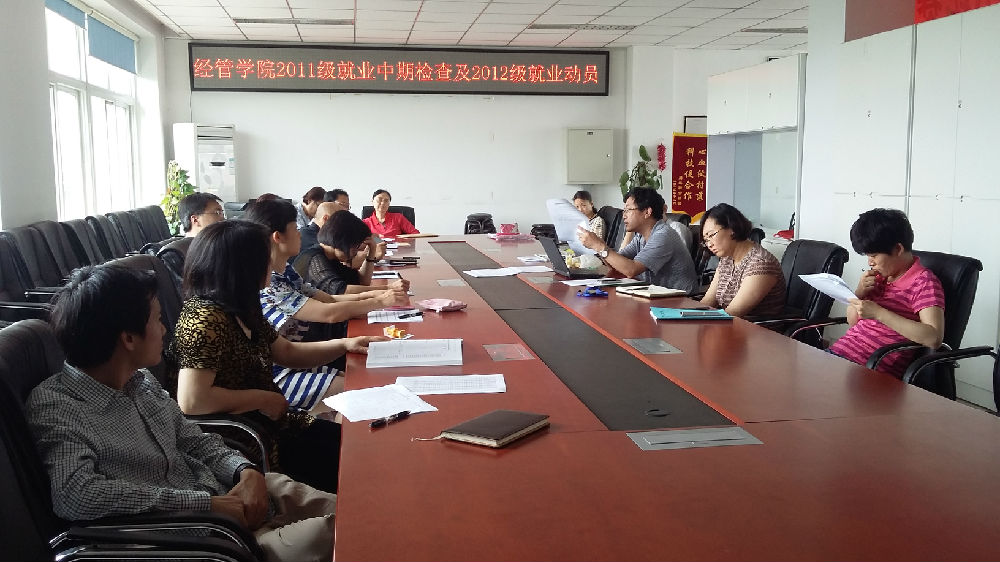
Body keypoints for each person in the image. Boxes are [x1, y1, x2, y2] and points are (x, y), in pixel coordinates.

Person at [27, 264, 337, 562]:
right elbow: (76, 495)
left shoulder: (141, 382)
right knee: (337, 533)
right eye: (158, 319)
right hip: (201, 542)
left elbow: (194, 440)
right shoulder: (58, 406)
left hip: (227, 498)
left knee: (349, 510)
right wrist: (206, 505)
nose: (165, 329)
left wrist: (244, 471)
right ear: (129, 338)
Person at [170, 220, 386, 493]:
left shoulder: (242, 305)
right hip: (244, 440)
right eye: (265, 257)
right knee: (357, 468)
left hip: (274, 423)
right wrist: (264, 398)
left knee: (361, 448)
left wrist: (345, 344)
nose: (271, 264)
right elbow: (192, 400)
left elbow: (286, 352)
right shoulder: (204, 319)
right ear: (244, 265)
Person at [245, 200, 408, 413]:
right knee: (364, 392)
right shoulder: (271, 283)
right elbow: (328, 313)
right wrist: (381, 300)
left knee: (360, 383)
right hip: (277, 373)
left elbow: (329, 299)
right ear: (277, 237)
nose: (301, 233)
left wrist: (382, 295)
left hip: (296, 358)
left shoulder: (286, 272)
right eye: (295, 228)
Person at [828, 208, 945, 378]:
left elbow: (933, 338)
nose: (870, 262)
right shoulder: (879, 278)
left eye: (874, 255)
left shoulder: (924, 282)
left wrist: (879, 313)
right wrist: (859, 293)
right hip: (839, 355)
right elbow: (852, 322)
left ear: (898, 249)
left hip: (870, 371)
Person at [576, 188, 698, 293]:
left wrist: (599, 246)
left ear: (647, 212)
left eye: (628, 210)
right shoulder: (641, 237)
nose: (624, 215)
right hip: (656, 295)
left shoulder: (663, 235)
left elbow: (631, 270)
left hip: (680, 302)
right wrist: (598, 246)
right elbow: (616, 265)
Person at [698, 203, 785, 318]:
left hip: (753, 328)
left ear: (732, 228)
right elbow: (708, 301)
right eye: (706, 240)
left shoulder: (761, 263)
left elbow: (732, 313)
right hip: (727, 324)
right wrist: (685, 315)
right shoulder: (727, 259)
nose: (709, 244)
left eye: (711, 235)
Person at [302, 210, 410, 296]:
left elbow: (362, 281)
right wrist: (388, 288)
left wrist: (371, 253)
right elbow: (341, 291)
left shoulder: (331, 257)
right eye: (355, 246)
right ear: (343, 241)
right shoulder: (315, 258)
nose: (355, 252)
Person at [160, 192, 225, 288]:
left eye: (222, 213)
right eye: (217, 213)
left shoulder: (216, 244)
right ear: (195, 220)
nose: (223, 218)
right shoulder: (174, 255)